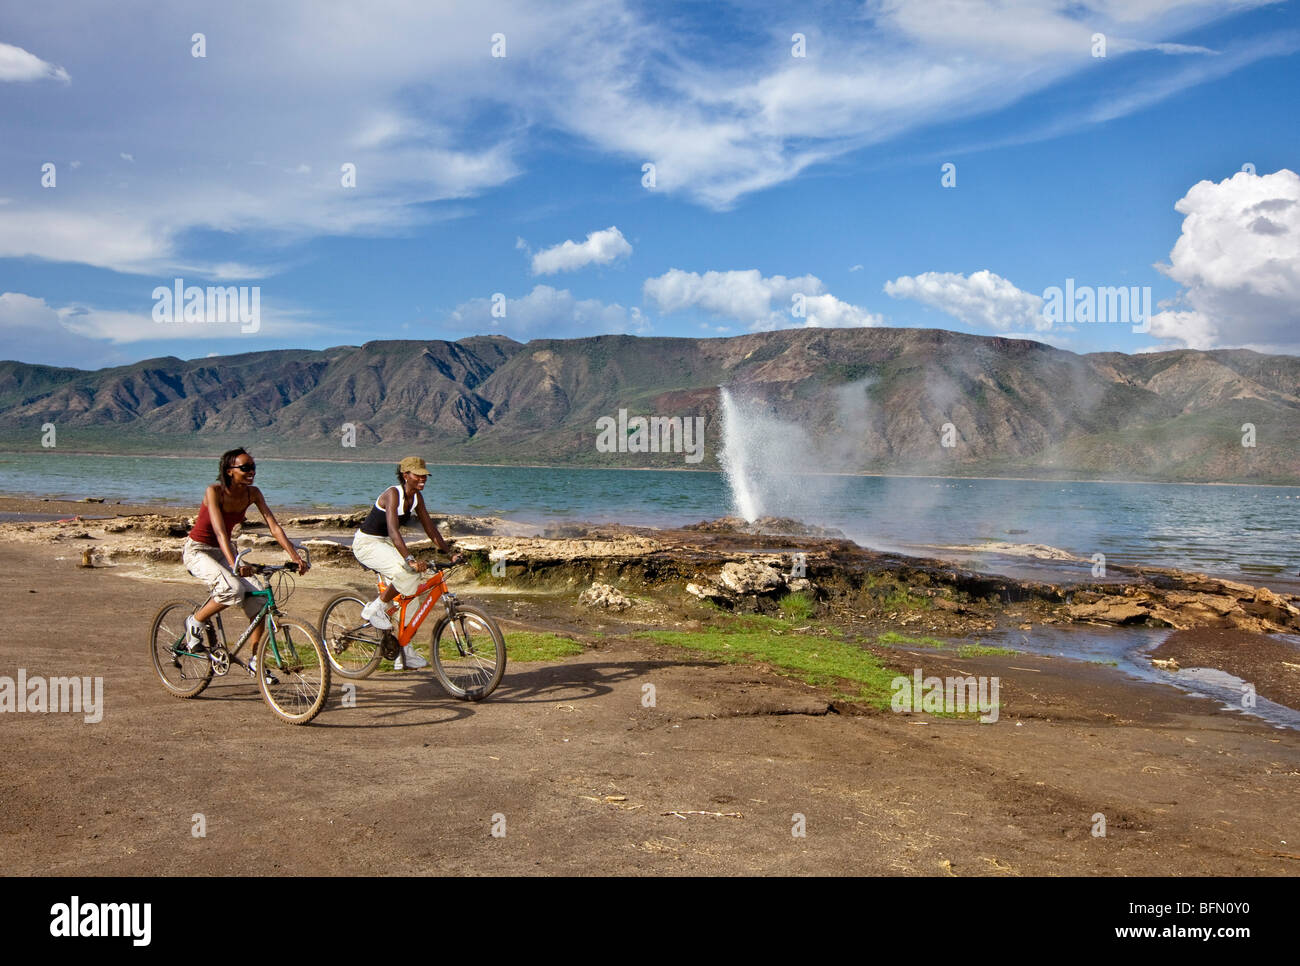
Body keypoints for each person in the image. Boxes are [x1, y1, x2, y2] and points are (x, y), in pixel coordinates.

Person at [182, 448, 309, 681]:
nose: (251, 472)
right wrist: (235, 565)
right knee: (232, 589)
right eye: (245, 468)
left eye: (253, 468)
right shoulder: (214, 491)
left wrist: (295, 556)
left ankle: (254, 661)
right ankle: (196, 620)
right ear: (230, 471)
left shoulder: (253, 493)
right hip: (199, 549)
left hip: (225, 550)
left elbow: (273, 526)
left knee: (260, 601)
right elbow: (220, 532)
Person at [352, 456, 461, 670]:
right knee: (407, 573)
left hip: (385, 544)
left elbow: (430, 528)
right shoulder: (393, 494)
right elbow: (393, 530)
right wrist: (409, 560)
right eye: (418, 475)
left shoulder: (417, 498)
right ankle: (377, 608)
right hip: (368, 543)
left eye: (424, 475)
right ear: (405, 476)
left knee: (411, 596)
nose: (423, 479)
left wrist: (449, 554)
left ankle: (404, 651)